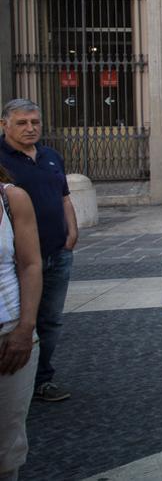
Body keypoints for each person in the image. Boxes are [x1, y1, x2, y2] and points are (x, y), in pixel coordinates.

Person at [0, 99, 76, 403]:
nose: (30, 128)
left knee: (50, 320)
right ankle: (15, 377)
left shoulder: (50, 155)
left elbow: (65, 197)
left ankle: (42, 378)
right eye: (22, 123)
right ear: (4, 124)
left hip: (57, 253)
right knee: (19, 320)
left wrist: (72, 231)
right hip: (18, 261)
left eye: (35, 122)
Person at [0, 165, 42, 481]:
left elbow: (30, 265)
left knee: (7, 445)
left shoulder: (11, 199)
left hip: (8, 333)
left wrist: (25, 328)